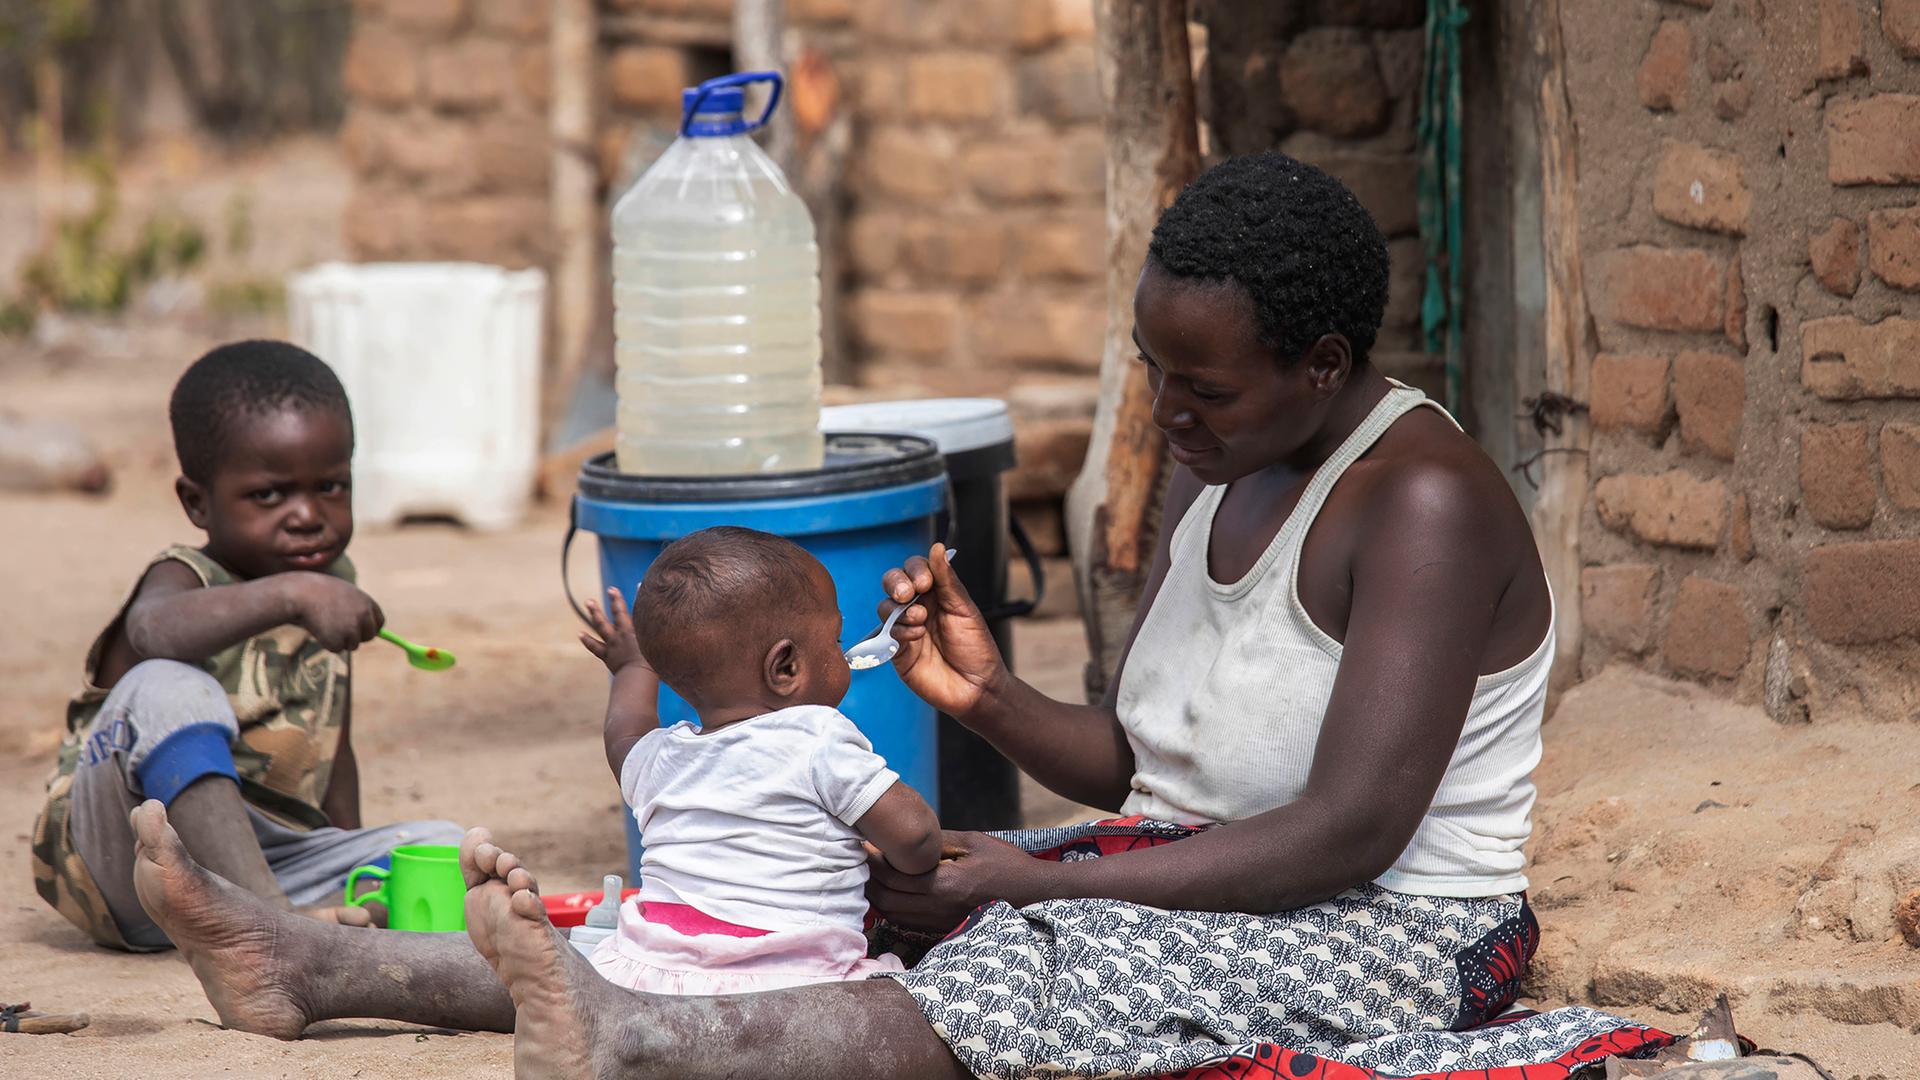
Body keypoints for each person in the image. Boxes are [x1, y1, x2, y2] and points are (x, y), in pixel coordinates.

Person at [126, 154, 1666, 1078]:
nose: (1168, 417)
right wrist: (989, 701)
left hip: (1396, 931)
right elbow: (1148, 770)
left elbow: (1348, 833)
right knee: (794, 892)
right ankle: (314, 967)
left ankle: (632, 1040)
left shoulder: (1423, 501)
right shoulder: (1227, 466)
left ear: (1322, 365)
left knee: (1011, 966)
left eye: (1200, 387)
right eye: (1154, 376)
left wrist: (1040, 885)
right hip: (1212, 874)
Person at [31, 340, 463, 950]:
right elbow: (152, 632)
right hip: (130, 865)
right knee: (167, 686)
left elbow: (333, 748)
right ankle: (274, 930)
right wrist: (293, 594)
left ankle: (277, 917)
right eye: (268, 495)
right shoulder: (185, 579)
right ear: (197, 502)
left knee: (445, 847)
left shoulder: (329, 587)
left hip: (258, 866)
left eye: (331, 486)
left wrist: (347, 851)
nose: (307, 514)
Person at [574, 527, 940, 993]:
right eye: (835, 640)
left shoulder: (656, 757)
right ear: (785, 667)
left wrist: (632, 666)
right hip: (792, 981)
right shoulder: (815, 736)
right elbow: (916, 838)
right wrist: (912, 857)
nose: (842, 651)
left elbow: (623, 730)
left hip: (652, 975)